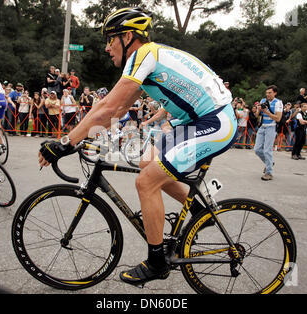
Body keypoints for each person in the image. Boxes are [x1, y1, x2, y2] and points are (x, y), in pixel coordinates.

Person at [38, 7, 235, 286]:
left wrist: (65, 143)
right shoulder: (147, 57)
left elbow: (110, 108)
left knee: (146, 182)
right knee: (147, 162)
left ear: (127, 36)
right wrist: (86, 136)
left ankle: (156, 263)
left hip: (214, 122)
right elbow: (116, 109)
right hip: (195, 121)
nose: (107, 48)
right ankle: (199, 211)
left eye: (110, 39)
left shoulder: (143, 55)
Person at [253, 85, 283, 180]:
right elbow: (257, 115)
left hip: (271, 127)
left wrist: (266, 112)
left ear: (275, 93)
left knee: (267, 150)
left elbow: (278, 118)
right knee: (257, 149)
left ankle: (269, 173)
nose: (268, 95)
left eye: (270, 93)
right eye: (267, 93)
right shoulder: (263, 101)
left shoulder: (278, 103)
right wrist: (258, 109)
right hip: (262, 127)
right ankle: (269, 162)